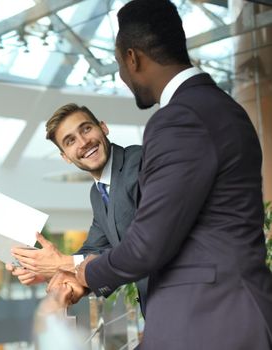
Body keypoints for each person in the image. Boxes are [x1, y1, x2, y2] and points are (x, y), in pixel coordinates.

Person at [48, 0, 272, 348]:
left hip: (212, 321)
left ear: (133, 58)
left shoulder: (178, 120)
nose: (123, 76)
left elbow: (146, 244)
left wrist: (83, 274)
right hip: (222, 314)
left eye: (120, 64)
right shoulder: (223, 107)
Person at [6, 103, 148, 315]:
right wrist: (46, 270)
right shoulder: (98, 192)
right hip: (157, 308)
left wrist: (64, 263)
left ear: (103, 128)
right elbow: (95, 248)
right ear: (65, 157)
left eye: (86, 129)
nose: (83, 142)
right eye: (70, 141)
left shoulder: (138, 163)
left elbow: (144, 242)